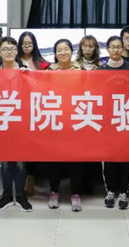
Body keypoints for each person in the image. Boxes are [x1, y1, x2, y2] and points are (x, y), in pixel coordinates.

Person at [0, 37, 33, 213]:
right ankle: (7, 194)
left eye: (12, 49)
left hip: (21, 123)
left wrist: (28, 77)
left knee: (21, 162)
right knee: (6, 162)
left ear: (17, 51)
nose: (9, 52)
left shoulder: (25, 71)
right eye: (5, 49)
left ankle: (21, 195)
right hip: (2, 122)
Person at [99, 36, 129, 210]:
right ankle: (110, 191)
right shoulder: (100, 70)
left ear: (122, 48)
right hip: (107, 121)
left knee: (125, 158)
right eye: (112, 47)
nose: (116, 50)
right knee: (108, 158)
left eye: (118, 47)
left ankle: (123, 192)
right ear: (107, 49)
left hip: (127, 119)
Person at [47, 39, 84, 211]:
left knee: (76, 160)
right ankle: (54, 191)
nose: (63, 53)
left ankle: (76, 193)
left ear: (71, 51)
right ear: (55, 53)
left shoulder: (80, 70)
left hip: (76, 120)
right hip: (55, 119)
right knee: (54, 159)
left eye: (66, 49)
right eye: (59, 50)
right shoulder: (49, 71)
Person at [16, 31, 49, 197]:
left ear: (34, 45)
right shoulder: (13, 61)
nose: (27, 46)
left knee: (34, 146)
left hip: (37, 108)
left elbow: (48, 85)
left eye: (29, 43)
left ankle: (31, 178)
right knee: (20, 146)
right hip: (17, 108)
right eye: (24, 43)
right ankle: (19, 178)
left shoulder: (43, 64)